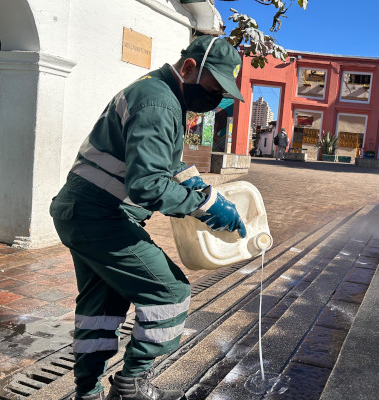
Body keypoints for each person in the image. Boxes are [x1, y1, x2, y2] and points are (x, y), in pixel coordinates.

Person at [49, 35, 247, 400]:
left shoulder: (160, 94)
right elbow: (148, 186)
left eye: (224, 92)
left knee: (102, 311)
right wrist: (206, 207)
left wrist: (203, 188)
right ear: (189, 68)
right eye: (213, 87)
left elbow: (165, 164)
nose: (217, 99)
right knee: (170, 293)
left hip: (82, 211)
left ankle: (87, 392)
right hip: (101, 214)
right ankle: (130, 385)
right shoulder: (159, 102)